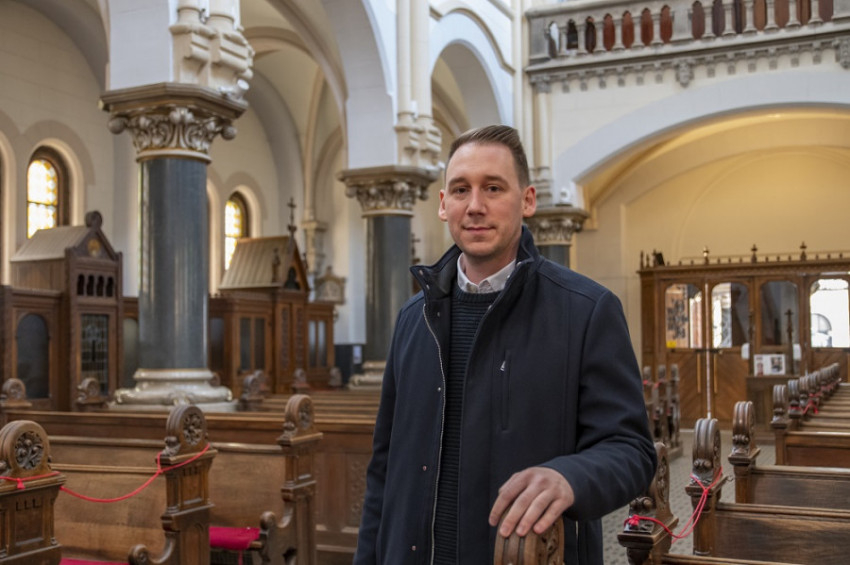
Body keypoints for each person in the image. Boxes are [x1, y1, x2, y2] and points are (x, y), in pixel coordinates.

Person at [353, 125, 656, 564]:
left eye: (493, 188)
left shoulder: (587, 311)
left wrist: (570, 477)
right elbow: (384, 469)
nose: (475, 205)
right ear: (443, 204)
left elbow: (632, 451)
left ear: (527, 200)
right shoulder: (412, 319)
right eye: (461, 190)